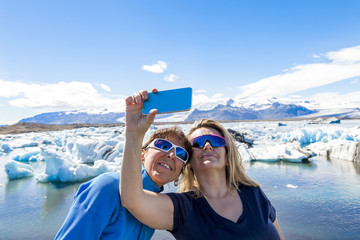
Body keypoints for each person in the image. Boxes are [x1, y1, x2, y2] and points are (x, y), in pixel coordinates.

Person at [120, 89, 285, 240]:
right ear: (189, 161)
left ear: (228, 156)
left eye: (215, 140)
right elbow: (133, 200)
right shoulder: (184, 208)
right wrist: (133, 133)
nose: (207, 145)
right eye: (197, 143)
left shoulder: (254, 194)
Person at [55, 126, 192, 240]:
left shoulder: (157, 206)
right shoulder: (108, 187)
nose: (171, 155)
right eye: (163, 145)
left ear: (179, 175)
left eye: (181, 154)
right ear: (142, 155)